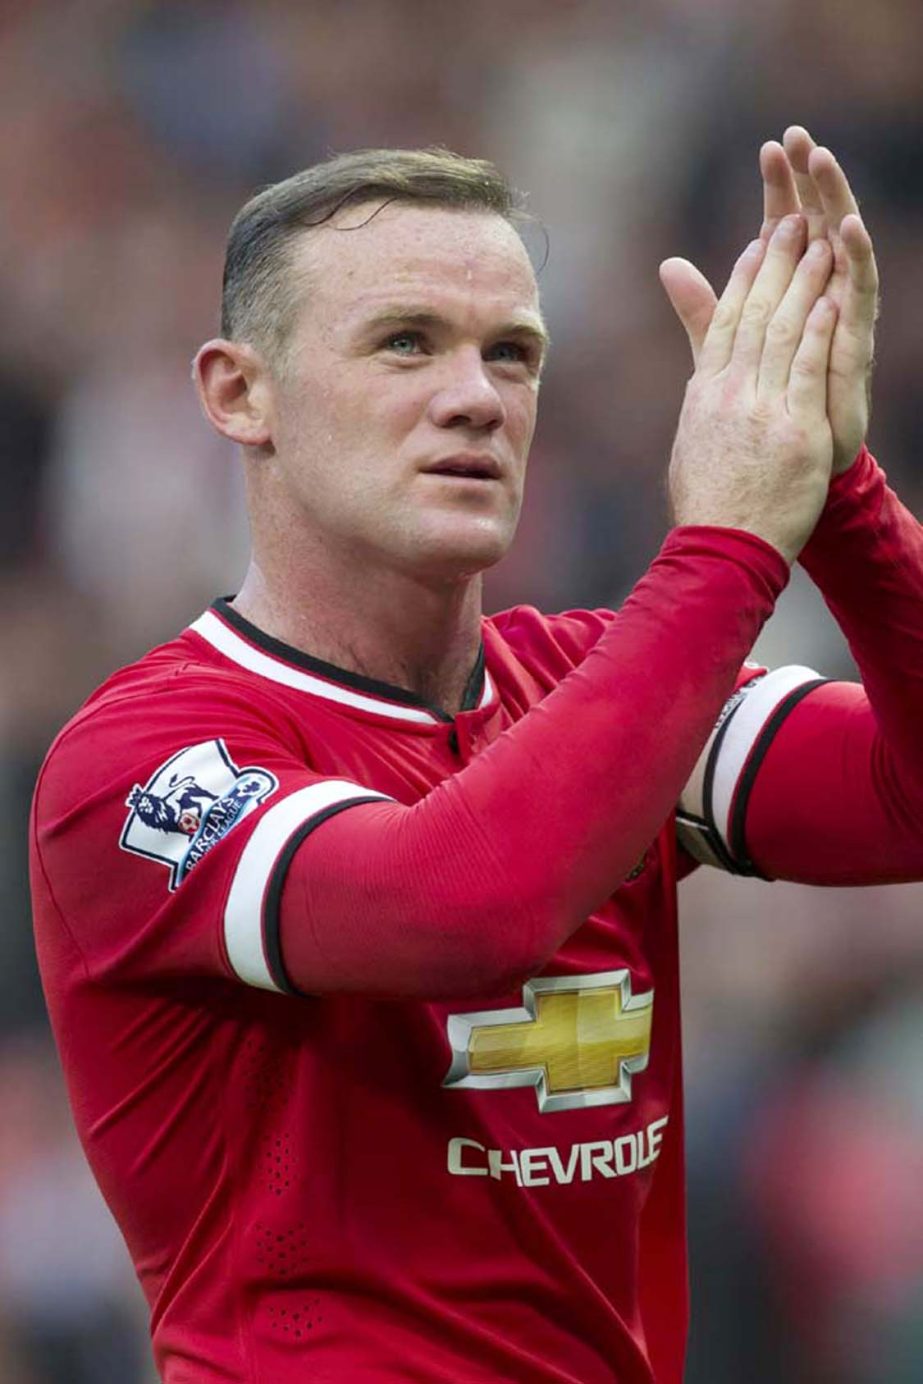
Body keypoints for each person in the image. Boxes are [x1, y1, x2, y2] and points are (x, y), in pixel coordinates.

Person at [30, 127, 923, 1383]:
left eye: (512, 352)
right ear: (240, 393)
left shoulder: (596, 685)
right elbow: (455, 905)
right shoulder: (143, 761)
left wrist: (836, 492)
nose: (476, 396)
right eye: (407, 342)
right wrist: (724, 546)